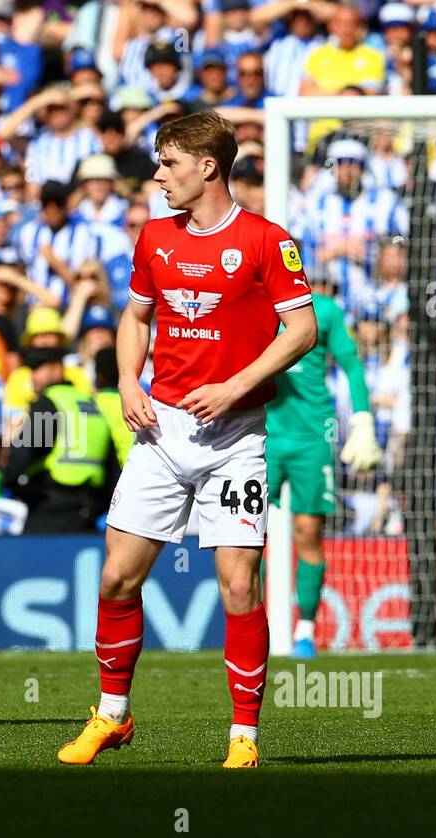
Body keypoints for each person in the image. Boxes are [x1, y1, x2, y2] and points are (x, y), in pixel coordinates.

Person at [57, 112, 318, 770]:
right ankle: (112, 717)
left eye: (168, 163)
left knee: (237, 586)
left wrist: (234, 387)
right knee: (117, 577)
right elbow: (135, 315)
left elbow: (301, 331)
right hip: (161, 431)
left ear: (208, 166)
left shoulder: (267, 241)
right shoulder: (155, 237)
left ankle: (243, 738)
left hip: (235, 439)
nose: (158, 175)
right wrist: (125, 381)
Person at [266, 289, 382, 659]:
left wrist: (363, 418)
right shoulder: (251, 303)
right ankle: (257, 627)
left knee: (308, 532)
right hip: (260, 432)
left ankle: (305, 630)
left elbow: (351, 363)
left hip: (313, 436)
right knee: (248, 535)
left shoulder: (325, 310)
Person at [2, 345, 114, 533]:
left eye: (39, 368)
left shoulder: (49, 402)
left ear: (58, 368)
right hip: (88, 512)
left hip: (49, 509)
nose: (33, 376)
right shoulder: (90, 402)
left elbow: (23, 452)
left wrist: (7, 482)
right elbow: (110, 462)